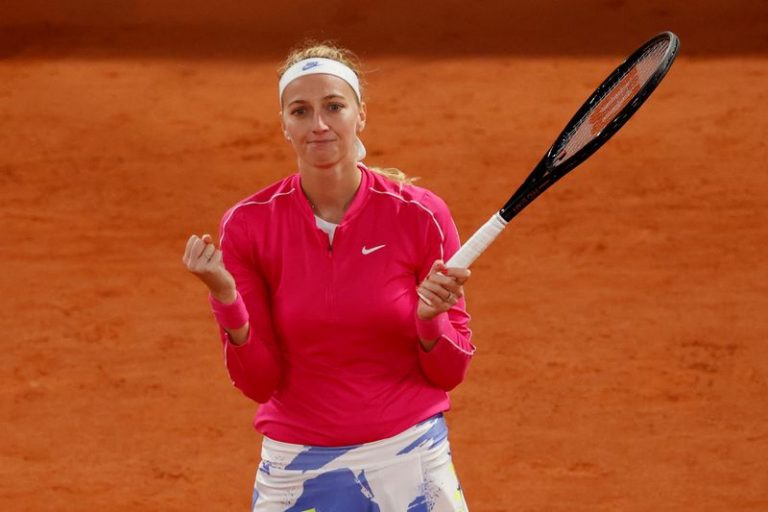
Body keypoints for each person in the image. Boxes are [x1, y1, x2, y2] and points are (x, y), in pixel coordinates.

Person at [182, 41, 475, 511]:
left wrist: (429, 322)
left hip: (410, 459)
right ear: (284, 125)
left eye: (334, 106)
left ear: (360, 115)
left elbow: (450, 370)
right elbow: (258, 382)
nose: (318, 124)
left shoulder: (421, 216)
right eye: (301, 111)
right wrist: (226, 299)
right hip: (297, 466)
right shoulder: (250, 225)